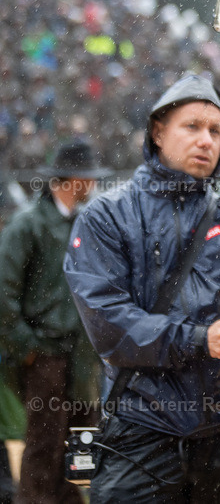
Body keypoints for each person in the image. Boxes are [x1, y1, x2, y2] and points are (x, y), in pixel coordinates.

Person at [63, 75, 220, 503]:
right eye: (192, 126)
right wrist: (200, 340)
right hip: (140, 434)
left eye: (216, 131)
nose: (206, 140)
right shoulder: (107, 214)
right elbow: (109, 325)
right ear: (157, 132)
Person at [0, 140, 107, 504]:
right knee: (44, 448)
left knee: (80, 450)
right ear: (74, 179)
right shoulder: (27, 225)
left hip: (82, 357)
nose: (92, 184)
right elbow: (3, 294)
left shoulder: (86, 223)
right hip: (46, 356)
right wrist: (28, 349)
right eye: (88, 177)